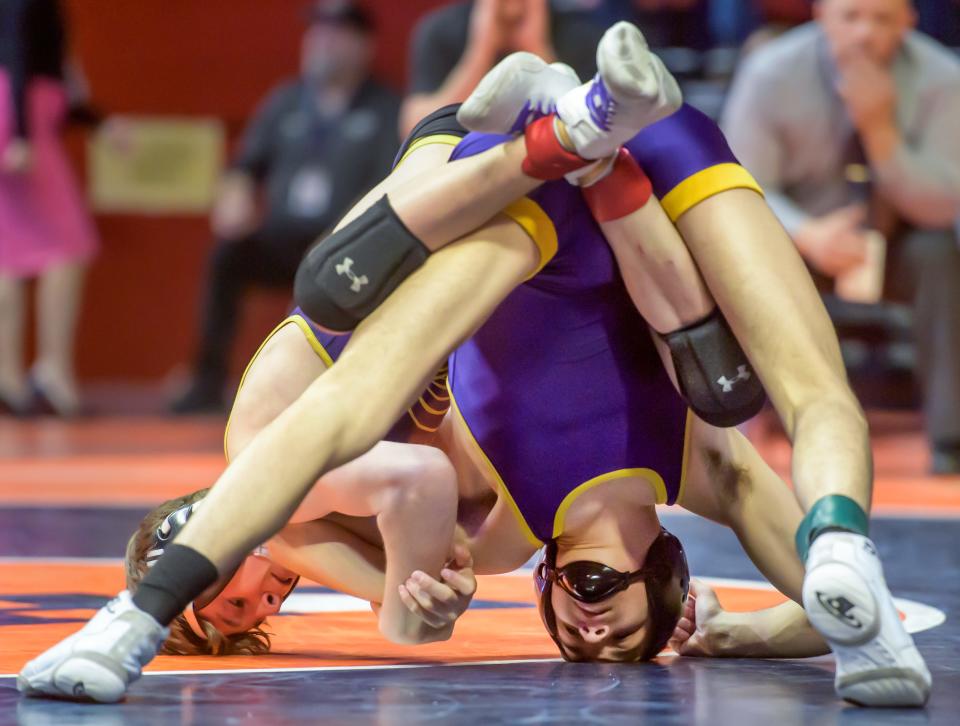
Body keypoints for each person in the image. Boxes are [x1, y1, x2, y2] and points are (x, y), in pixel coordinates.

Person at [18, 24, 929, 707]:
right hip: (619, 186)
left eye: (573, 624)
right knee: (743, 383)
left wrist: (135, 615)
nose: (586, 620)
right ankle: (588, 147)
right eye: (612, 616)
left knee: (332, 301)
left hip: (485, 185)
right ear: (667, 571)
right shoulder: (692, 471)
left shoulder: (496, 526)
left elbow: (351, 442)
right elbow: (828, 606)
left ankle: (563, 133)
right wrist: (744, 635)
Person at [721, 0, 960, 473]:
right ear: (821, 15)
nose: (864, 34)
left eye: (882, 19)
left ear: (910, 22)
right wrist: (806, 234)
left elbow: (944, 203)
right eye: (851, 16)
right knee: (734, 254)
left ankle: (950, 439)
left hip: (898, 238)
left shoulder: (943, 78)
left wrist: (880, 131)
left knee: (940, 256)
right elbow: (737, 182)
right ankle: (741, 426)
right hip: (796, 238)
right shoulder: (771, 73)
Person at [170, 0, 400, 413]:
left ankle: (343, 391)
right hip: (283, 238)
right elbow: (245, 167)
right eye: (317, 31)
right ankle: (206, 382)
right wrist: (235, 192)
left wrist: (340, 236)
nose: (322, 41)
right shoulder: (286, 102)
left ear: (364, 45)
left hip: (345, 245)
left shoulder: (385, 108)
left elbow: (388, 185)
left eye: (337, 31)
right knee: (228, 257)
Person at [0, 0, 100, 416]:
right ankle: (54, 371)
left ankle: (6, 377)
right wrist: (21, 135)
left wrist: (102, 123)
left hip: (16, 111)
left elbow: (52, 72)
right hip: (22, 118)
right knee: (70, 242)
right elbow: (17, 52)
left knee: (8, 249)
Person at [399, 0, 603, 135]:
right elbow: (413, 129)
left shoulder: (581, 32)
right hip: (464, 169)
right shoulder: (440, 30)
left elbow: (591, 129)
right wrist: (480, 52)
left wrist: (535, 47)